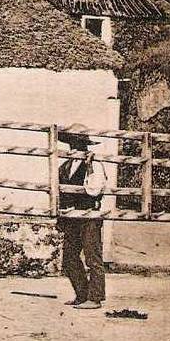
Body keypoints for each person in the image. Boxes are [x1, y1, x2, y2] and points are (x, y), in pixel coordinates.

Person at [56, 126, 106, 310]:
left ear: (84, 145)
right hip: (72, 218)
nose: (73, 148)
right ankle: (82, 294)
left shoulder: (94, 164)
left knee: (93, 257)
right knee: (69, 257)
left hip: (89, 216)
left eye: (77, 144)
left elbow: (94, 190)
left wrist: (91, 164)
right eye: (71, 143)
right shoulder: (65, 166)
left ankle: (95, 298)